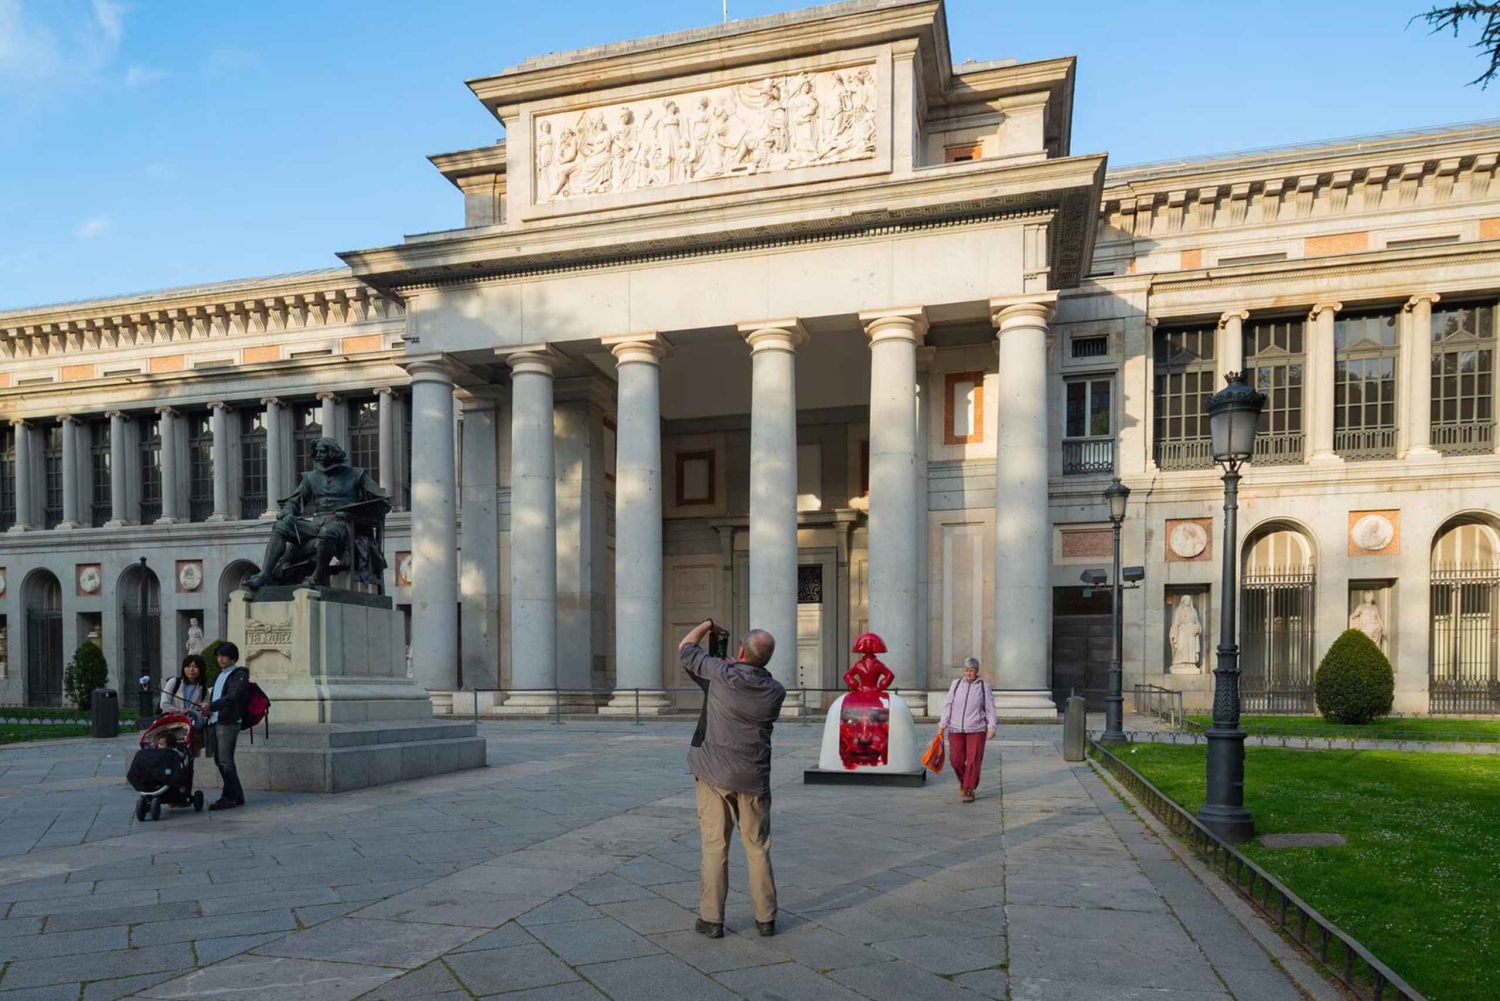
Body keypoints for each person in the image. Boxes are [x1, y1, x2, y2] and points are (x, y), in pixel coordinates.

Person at [677, 619, 786, 941]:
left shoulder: (720, 675)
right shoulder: (776, 691)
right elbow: (748, 683)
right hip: (754, 777)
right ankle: (766, 919)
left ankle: (712, 920)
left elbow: (686, 648)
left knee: (715, 847)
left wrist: (707, 625)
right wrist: (737, 667)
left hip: (714, 775)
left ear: (740, 651)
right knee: (758, 848)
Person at [938, 657, 997, 804]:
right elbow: (948, 704)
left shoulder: (983, 686)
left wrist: (992, 726)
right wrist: (942, 723)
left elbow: (990, 707)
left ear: (976, 671)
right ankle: (964, 781)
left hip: (977, 728)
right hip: (955, 727)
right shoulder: (956, 684)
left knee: (973, 760)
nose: (968, 673)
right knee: (955, 760)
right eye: (966, 670)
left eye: (971, 670)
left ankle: (968, 788)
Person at [205, 642, 249, 811]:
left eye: (224, 655)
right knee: (220, 761)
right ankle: (237, 795)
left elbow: (233, 696)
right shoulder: (220, 675)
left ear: (233, 657)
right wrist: (209, 709)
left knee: (226, 761)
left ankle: (228, 797)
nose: (220, 659)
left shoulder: (239, 674)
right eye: (218, 656)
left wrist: (211, 706)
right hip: (214, 721)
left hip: (228, 722)